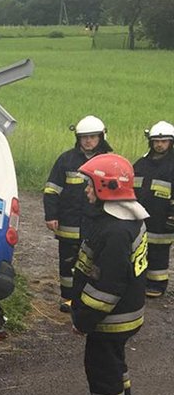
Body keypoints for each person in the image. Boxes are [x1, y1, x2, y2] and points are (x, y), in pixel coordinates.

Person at [65, 153, 147, 395]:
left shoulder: (115, 231)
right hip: (127, 312)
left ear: (107, 190)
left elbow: (106, 289)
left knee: (101, 364)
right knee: (114, 360)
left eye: (91, 186)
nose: (87, 190)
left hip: (111, 317)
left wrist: (83, 320)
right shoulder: (128, 217)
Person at [43, 115, 113, 313]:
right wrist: (51, 215)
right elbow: (51, 190)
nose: (88, 141)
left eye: (92, 137)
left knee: (96, 263)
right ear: (78, 138)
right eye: (84, 137)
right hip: (69, 224)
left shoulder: (109, 162)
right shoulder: (66, 160)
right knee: (68, 263)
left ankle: (90, 300)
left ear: (101, 137)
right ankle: (68, 298)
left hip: (97, 225)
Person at [132, 121, 174, 298]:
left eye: (164, 141)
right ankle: (140, 281)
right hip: (141, 215)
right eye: (156, 141)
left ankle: (157, 285)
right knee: (139, 249)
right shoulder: (141, 164)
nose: (159, 144)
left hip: (163, 218)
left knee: (159, 252)